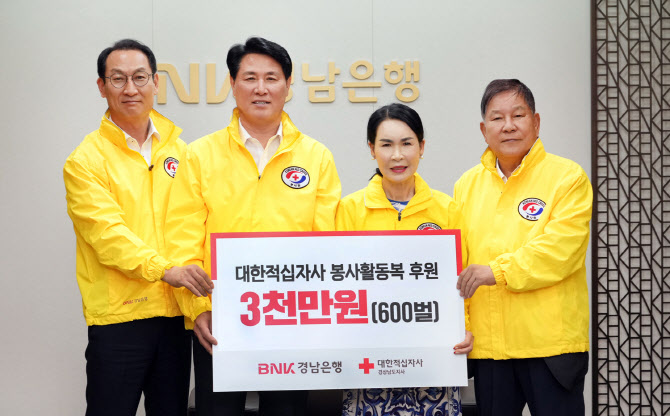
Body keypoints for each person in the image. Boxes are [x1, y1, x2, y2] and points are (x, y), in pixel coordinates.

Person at [165, 37, 342, 416]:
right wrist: (199, 309)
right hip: (220, 320)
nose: (261, 88)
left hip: (291, 321)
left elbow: (326, 242)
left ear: (288, 85)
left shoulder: (317, 157)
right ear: (232, 84)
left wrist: (317, 315)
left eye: (271, 78)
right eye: (250, 78)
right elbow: (183, 238)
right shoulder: (200, 155)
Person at [63, 39, 213, 416]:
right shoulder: (85, 160)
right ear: (102, 87)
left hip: (174, 317)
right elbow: (106, 235)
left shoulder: (182, 152)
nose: (130, 88)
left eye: (140, 77)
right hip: (120, 319)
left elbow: (197, 227)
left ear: (156, 82)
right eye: (118, 79)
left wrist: (198, 303)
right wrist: (165, 270)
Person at [454, 79, 592, 415]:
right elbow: (460, 265)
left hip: (551, 346)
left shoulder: (567, 178)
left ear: (536, 122)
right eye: (497, 118)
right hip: (490, 349)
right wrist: (463, 325)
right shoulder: (466, 186)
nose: (509, 126)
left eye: (518, 115)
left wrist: (497, 271)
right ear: (484, 130)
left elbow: (560, 251)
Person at [337, 103, 473, 416]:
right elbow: (339, 283)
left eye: (407, 143)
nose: (397, 156)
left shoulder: (447, 210)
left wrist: (465, 328)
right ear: (371, 149)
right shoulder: (349, 210)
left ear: (422, 147)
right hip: (369, 357)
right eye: (386, 145)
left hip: (434, 354)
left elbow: (463, 279)